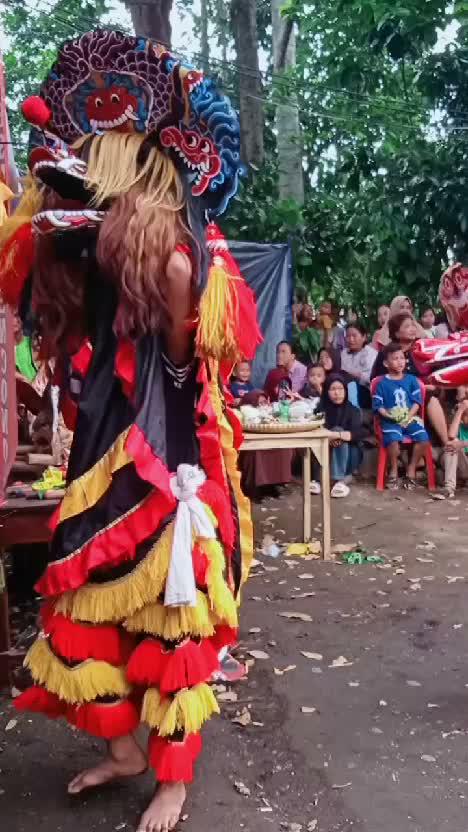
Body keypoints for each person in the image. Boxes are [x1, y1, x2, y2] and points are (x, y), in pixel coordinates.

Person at [9, 30, 261, 832]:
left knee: (171, 612)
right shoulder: (88, 238)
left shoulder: (183, 254)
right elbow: (55, 320)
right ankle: (123, 750)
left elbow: (186, 370)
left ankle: (174, 776)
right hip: (99, 448)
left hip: (163, 454)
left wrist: (170, 289)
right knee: (91, 601)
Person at [371, 313, 449, 446]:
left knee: (430, 397)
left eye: (413, 325)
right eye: (407, 326)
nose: (413, 328)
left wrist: (432, 385)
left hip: (423, 396)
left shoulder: (422, 348)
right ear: (396, 333)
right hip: (395, 400)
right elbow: (376, 381)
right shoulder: (387, 353)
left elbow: (438, 372)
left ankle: (447, 442)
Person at [372, 343, 430, 489]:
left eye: (402, 358)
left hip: (410, 418)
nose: (400, 361)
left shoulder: (411, 380)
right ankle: (393, 469)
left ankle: (411, 469)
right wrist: (390, 416)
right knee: (393, 440)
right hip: (390, 421)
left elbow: (417, 402)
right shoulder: (382, 383)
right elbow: (379, 407)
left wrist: (408, 417)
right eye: (395, 358)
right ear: (386, 363)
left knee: (423, 438)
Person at [310, 374, 366, 498]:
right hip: (325, 452)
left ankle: (337, 480)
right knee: (321, 440)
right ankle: (323, 481)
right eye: (333, 389)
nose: (337, 393)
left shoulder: (353, 411)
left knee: (338, 430)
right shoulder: (320, 410)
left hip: (349, 456)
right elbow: (314, 429)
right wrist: (329, 438)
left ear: (345, 391)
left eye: (340, 389)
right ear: (326, 392)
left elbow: (360, 433)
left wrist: (338, 435)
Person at [238, 388, 293, 495]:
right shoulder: (246, 412)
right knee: (256, 452)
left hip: (271, 437)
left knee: (283, 448)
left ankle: (275, 484)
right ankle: (256, 487)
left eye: (264, 402)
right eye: (259, 403)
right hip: (252, 440)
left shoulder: (271, 412)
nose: (263, 405)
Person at [340, 322, 377, 408]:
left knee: (352, 386)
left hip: (366, 390)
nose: (351, 339)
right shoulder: (344, 353)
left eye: (354, 336)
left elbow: (372, 378)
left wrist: (358, 375)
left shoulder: (371, 353)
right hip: (345, 388)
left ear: (363, 337)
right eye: (348, 336)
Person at [443, 400, 468, 498]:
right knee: (451, 445)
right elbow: (451, 435)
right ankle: (449, 489)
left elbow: (461, 444)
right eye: (466, 415)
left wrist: (463, 444)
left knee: (455, 444)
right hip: (464, 466)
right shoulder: (460, 426)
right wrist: (460, 411)